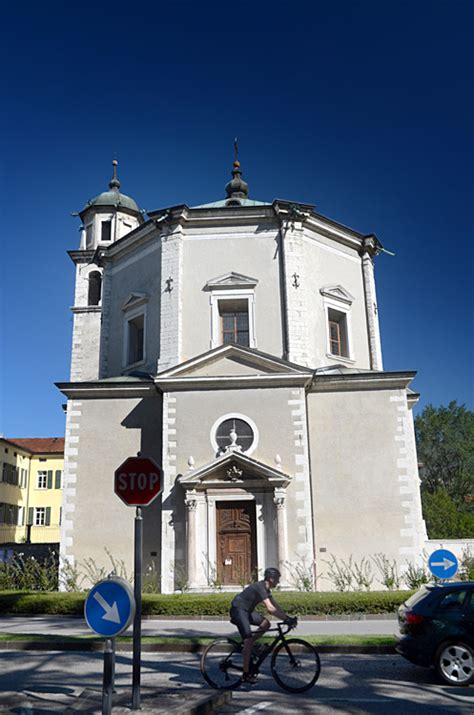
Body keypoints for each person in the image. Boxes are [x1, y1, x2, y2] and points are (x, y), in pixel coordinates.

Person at [230, 567, 297, 683]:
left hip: (247, 611)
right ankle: (245, 674)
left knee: (266, 624)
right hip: (238, 610)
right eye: (277, 579)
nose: (278, 582)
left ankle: (251, 647)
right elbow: (270, 609)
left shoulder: (266, 589)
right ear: (271, 579)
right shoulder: (260, 587)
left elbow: (274, 605)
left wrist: (287, 618)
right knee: (248, 639)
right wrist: (286, 619)